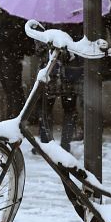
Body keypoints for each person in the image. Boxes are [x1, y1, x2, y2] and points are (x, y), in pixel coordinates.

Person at [37, 23, 84, 152]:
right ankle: (64, 144)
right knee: (68, 109)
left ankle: (46, 144)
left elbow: (38, 49)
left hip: (51, 72)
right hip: (67, 74)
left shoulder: (45, 20)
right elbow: (78, 48)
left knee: (46, 108)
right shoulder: (75, 20)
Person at [0, 0, 33, 119]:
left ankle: (16, 117)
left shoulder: (16, 15)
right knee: (10, 90)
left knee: (13, 89)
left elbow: (16, 35)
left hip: (10, 57)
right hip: (2, 57)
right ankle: (13, 117)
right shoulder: (3, 14)